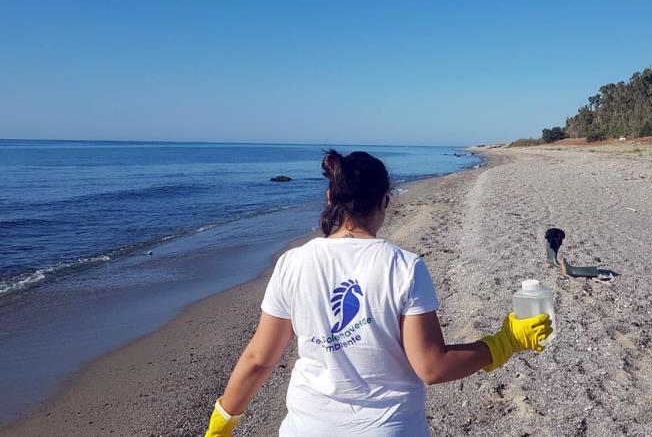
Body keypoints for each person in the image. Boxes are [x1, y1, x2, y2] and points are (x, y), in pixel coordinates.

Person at [205, 150, 551, 437]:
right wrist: (506, 342)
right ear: (385, 200)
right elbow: (431, 366)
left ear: (331, 197)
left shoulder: (293, 263)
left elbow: (259, 360)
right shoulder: (403, 266)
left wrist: (223, 421)